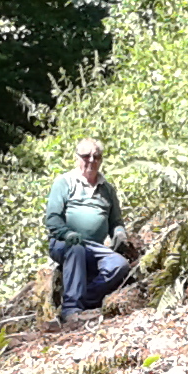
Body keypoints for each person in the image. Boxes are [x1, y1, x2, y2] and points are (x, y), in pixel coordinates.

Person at [43, 137, 131, 323]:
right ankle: (71, 310)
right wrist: (67, 234)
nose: (91, 160)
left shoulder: (107, 189)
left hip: (94, 247)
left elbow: (116, 221)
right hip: (64, 242)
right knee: (76, 249)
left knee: (119, 265)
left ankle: (87, 300)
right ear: (77, 157)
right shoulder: (64, 182)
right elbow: (52, 218)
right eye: (86, 156)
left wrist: (119, 233)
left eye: (96, 156)